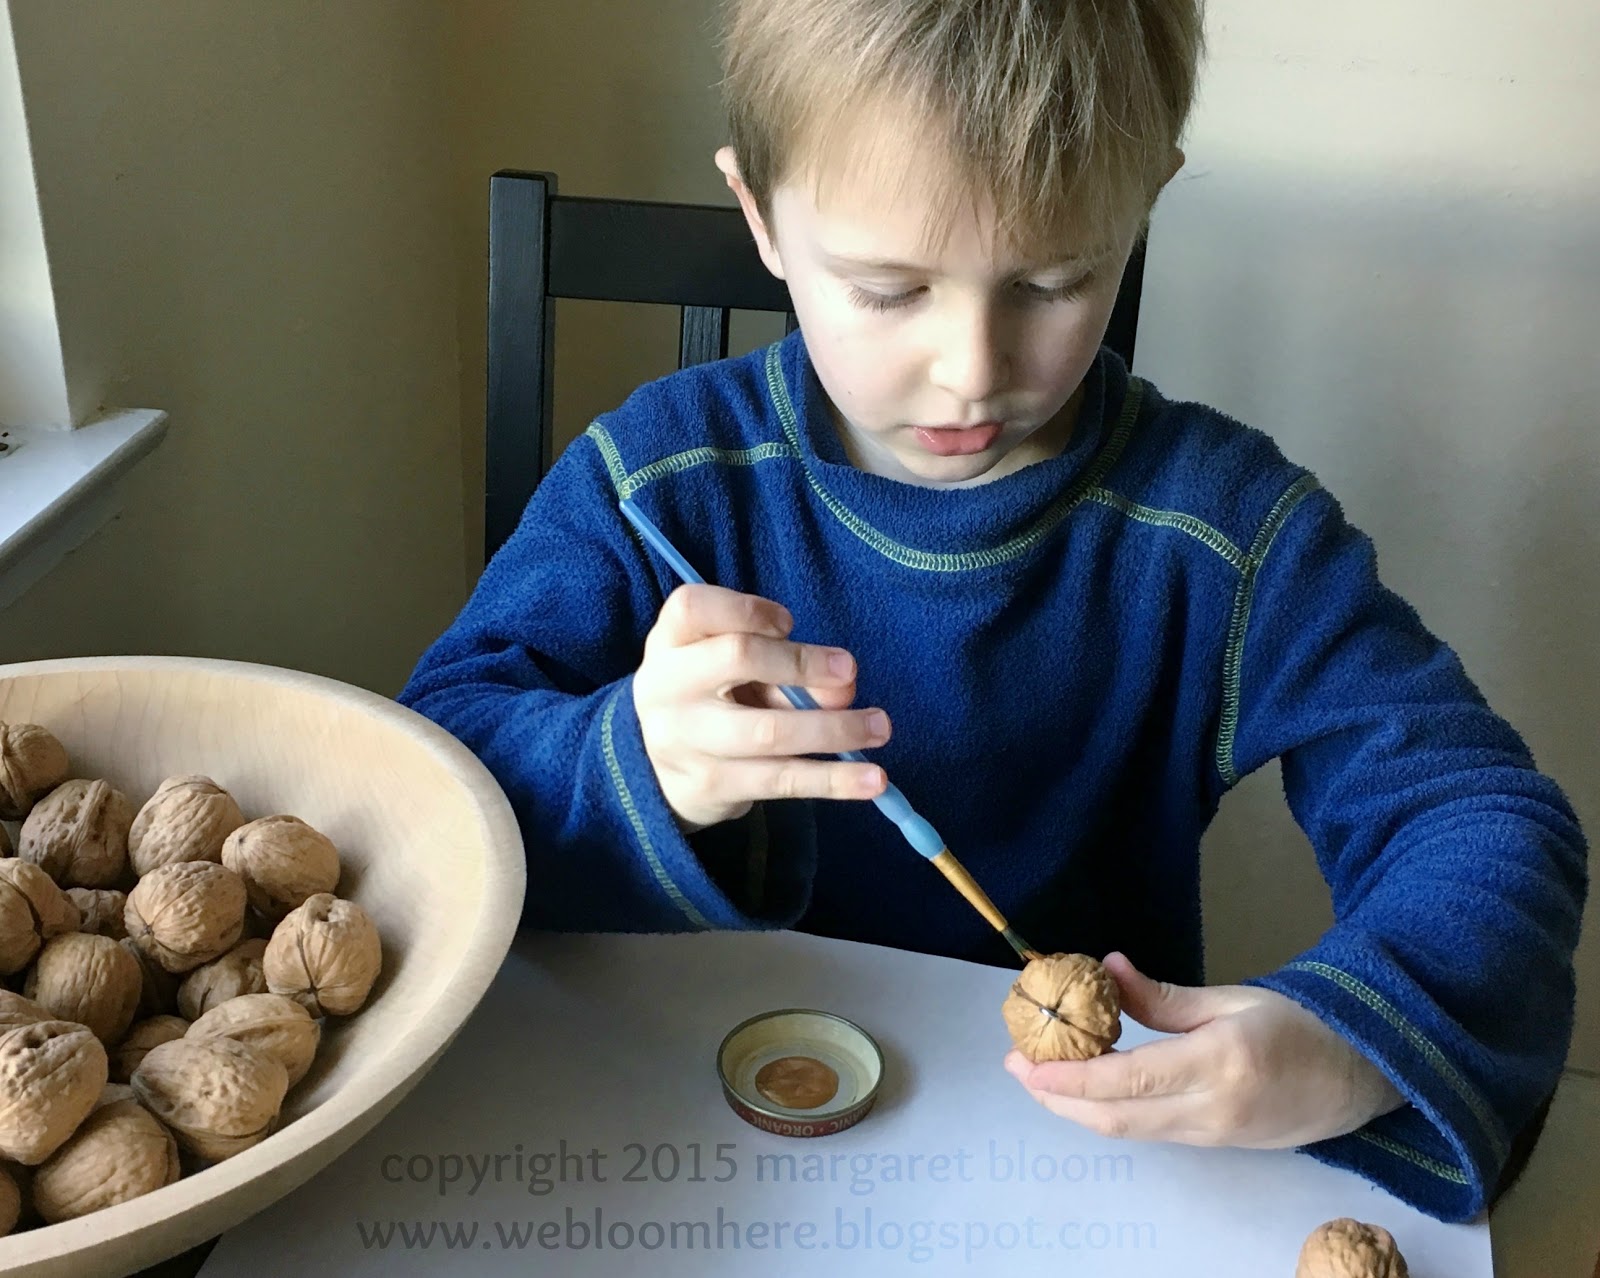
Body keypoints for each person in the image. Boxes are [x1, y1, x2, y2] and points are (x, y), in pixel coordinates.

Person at [398, 0, 1587, 1225]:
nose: (971, 370)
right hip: (670, 1146)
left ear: (1143, 204)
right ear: (758, 213)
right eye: (887, 289)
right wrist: (636, 762)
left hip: (1062, 1173)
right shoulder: (654, 485)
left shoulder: (1223, 533)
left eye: (1052, 281)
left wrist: (1353, 1041)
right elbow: (434, 774)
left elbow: (1484, 817)